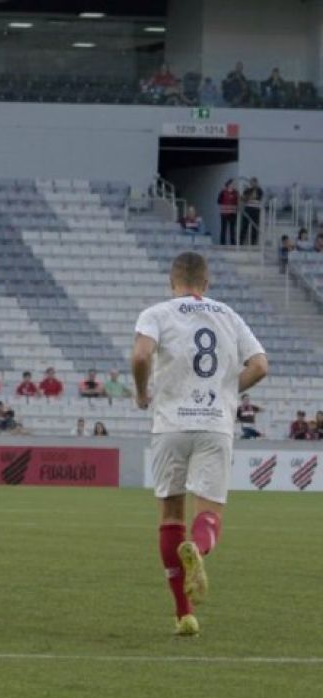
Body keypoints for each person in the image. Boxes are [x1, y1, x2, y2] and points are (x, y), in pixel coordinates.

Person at [132, 251, 268, 636]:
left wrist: (142, 393)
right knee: (209, 514)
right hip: (214, 424)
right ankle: (200, 548)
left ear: (171, 281)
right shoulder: (228, 314)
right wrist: (228, 391)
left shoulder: (156, 313)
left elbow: (141, 355)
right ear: (206, 283)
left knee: (170, 515)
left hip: (171, 425)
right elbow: (260, 365)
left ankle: (184, 615)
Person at [240, 177, 263, 246]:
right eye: (251, 182)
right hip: (248, 209)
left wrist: (247, 197)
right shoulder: (247, 190)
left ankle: (253, 243)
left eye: (253, 182)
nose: (252, 184)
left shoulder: (259, 190)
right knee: (244, 226)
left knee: (254, 227)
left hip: (255, 210)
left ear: (256, 183)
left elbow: (257, 197)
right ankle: (241, 242)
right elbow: (243, 198)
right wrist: (247, 197)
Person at [217, 179, 239, 245]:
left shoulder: (236, 192)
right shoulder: (223, 192)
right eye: (232, 184)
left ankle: (233, 243)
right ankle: (222, 243)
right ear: (229, 184)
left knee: (232, 229)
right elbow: (219, 201)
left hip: (233, 213)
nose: (234, 185)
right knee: (223, 229)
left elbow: (237, 202)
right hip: (224, 212)